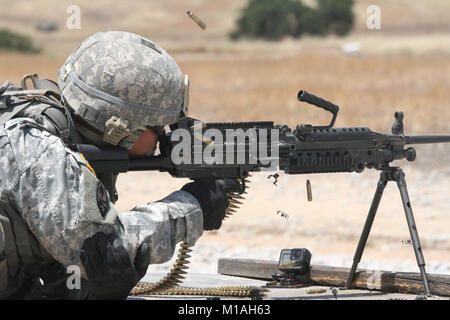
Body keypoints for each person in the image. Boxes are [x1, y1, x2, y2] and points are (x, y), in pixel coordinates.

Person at [0, 31, 241, 299]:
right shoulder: (36, 151)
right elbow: (103, 249)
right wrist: (193, 206)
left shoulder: (33, 119)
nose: (163, 136)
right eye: (157, 127)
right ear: (120, 127)